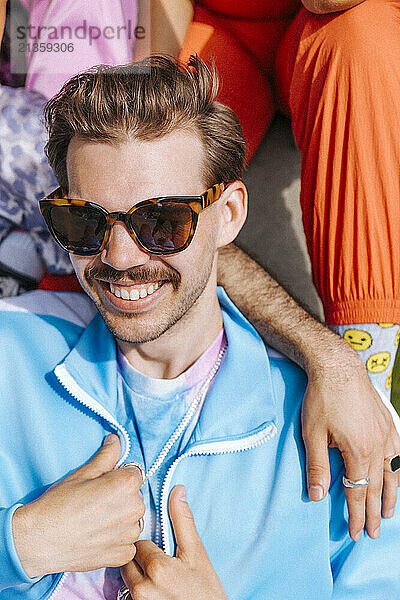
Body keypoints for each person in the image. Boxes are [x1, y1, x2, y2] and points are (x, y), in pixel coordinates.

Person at [2, 56, 400, 599]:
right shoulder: (10, 357)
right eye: (84, 222)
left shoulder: (329, 431)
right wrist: (19, 543)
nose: (117, 257)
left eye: (161, 222)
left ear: (229, 215)